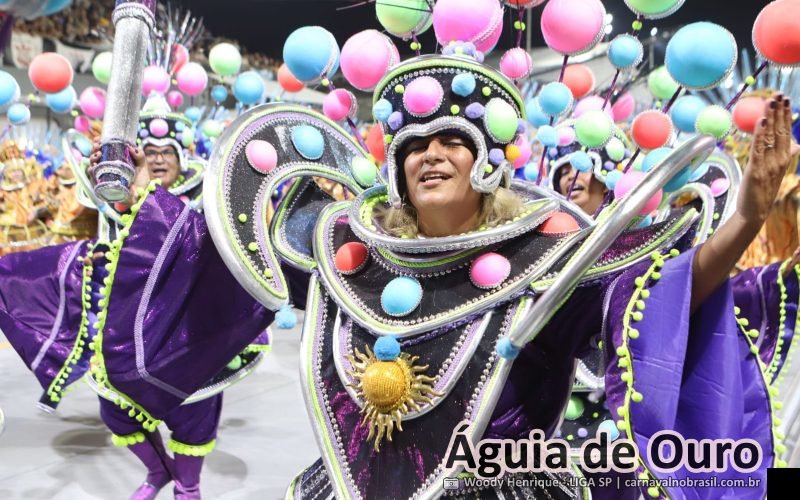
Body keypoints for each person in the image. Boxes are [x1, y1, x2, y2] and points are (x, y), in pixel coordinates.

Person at [200, 41, 799, 498]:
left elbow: (662, 297)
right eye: (413, 146)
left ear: (487, 161)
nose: (428, 155)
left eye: (449, 141)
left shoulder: (550, 255)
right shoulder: (348, 252)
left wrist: (745, 219)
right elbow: (234, 274)